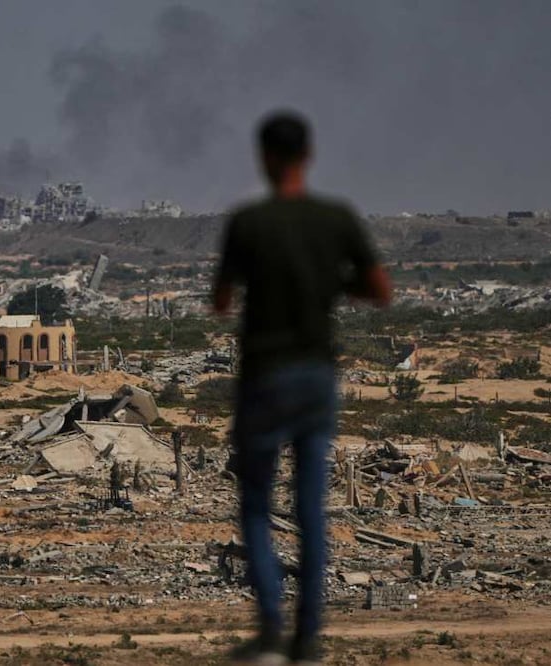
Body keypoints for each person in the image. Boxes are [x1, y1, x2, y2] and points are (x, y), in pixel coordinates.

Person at [213, 111, 391, 665]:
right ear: (309, 155)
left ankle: (270, 629)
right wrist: (331, 283)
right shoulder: (336, 219)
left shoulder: (248, 222)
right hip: (316, 377)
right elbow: (379, 289)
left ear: (263, 157)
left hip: (265, 376)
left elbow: (220, 300)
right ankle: (307, 638)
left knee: (257, 506)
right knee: (312, 509)